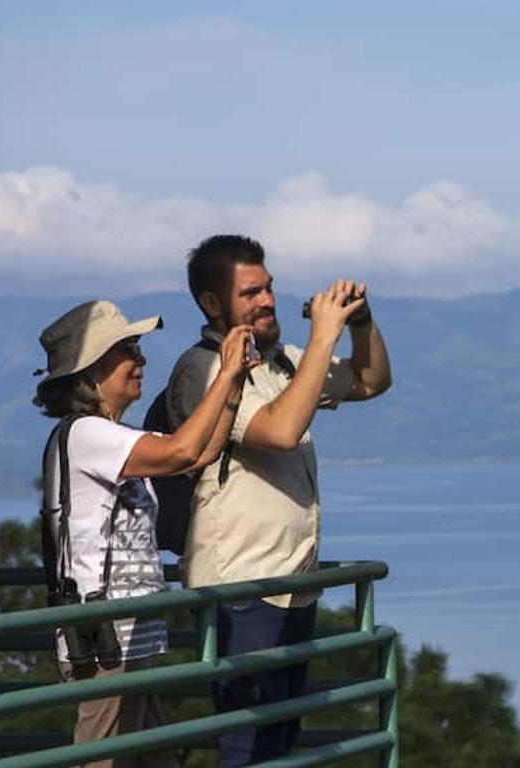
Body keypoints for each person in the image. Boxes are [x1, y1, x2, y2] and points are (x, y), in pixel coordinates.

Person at [163, 235, 392, 766]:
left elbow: (372, 380)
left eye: (268, 288)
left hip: (292, 588)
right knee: (248, 744)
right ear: (212, 304)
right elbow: (281, 431)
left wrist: (359, 323)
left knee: (280, 744)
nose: (266, 300)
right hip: (240, 591)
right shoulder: (205, 371)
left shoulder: (283, 363)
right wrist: (323, 336)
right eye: (250, 293)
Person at [33, 298, 258, 768]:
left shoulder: (114, 437)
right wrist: (223, 375)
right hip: (102, 639)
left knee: (150, 758)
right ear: (91, 372)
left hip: (131, 636)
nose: (142, 360)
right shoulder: (87, 435)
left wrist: (234, 380)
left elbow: (199, 453)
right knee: (101, 758)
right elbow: (180, 450)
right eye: (129, 350)